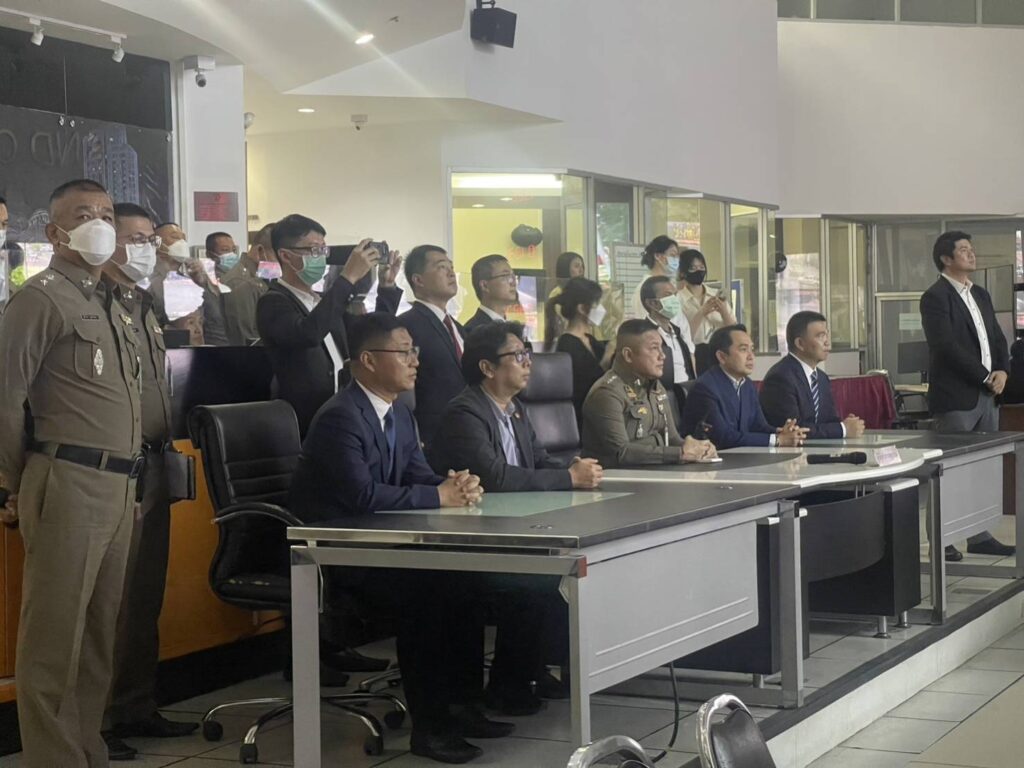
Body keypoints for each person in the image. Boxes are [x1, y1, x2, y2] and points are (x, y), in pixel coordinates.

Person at [289, 313, 544, 763]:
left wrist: (456, 484)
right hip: (338, 554)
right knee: (428, 593)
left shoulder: (400, 413)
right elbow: (361, 495)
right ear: (368, 360)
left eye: (415, 351)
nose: (414, 361)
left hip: (386, 544)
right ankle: (431, 728)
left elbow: (417, 474)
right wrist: (437, 496)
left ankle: (463, 708)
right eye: (404, 352)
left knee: (465, 580)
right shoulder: (340, 417)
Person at [0, 179, 143, 767]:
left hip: (118, 485)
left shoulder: (113, 300)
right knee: (54, 640)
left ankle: (87, 752)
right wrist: (9, 484)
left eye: (106, 212)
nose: (99, 223)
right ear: (55, 232)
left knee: (98, 638)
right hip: (67, 480)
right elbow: (6, 397)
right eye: (84, 214)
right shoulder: (40, 298)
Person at [100, 203, 197, 760]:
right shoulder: (92, 303)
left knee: (143, 597)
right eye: (135, 238)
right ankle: (99, 717)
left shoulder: (142, 302)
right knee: (110, 602)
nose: (147, 249)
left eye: (149, 240)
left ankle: (136, 705)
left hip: (155, 463)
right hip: (116, 468)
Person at [257, 215, 402, 436]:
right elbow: (308, 333)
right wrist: (348, 277)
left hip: (343, 410)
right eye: (314, 250)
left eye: (324, 250)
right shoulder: (273, 302)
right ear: (286, 255)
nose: (321, 258)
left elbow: (369, 334)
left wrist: (387, 287)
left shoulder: (323, 301)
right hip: (304, 417)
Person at [921, 230, 1014, 560]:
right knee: (949, 470)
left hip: (988, 395)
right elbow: (945, 346)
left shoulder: (981, 295)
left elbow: (997, 338)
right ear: (946, 258)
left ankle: (979, 536)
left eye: (971, 249)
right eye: (963, 250)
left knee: (981, 470)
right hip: (957, 397)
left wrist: (1002, 370)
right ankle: (942, 540)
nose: (971, 254)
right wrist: (985, 376)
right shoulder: (936, 297)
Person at [432, 321, 604, 491]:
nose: (528, 362)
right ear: (488, 368)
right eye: (518, 355)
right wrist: (569, 477)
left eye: (526, 353)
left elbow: (539, 459)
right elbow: (494, 477)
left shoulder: (516, 407)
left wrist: (571, 468)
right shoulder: (464, 414)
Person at [582, 319, 717, 467]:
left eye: (661, 348)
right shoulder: (607, 393)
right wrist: (680, 453)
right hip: (618, 477)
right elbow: (621, 452)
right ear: (628, 355)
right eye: (654, 348)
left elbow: (672, 439)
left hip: (654, 472)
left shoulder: (656, 387)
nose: (662, 356)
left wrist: (699, 448)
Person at [682, 325, 807, 449]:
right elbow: (723, 437)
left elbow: (758, 426)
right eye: (743, 349)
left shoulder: (747, 385)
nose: (751, 356)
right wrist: (778, 440)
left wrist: (782, 432)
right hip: (714, 458)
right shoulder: (705, 388)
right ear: (722, 357)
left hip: (741, 455)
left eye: (752, 349)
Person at [397, 245, 467, 449]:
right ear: (418, 280)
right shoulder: (407, 325)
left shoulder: (460, 329)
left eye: (451, 267)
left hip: (467, 431)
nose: (451, 273)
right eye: (441, 267)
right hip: (431, 438)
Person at [759, 311, 865, 439]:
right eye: (820, 336)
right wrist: (842, 429)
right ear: (800, 343)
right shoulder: (780, 377)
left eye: (827, 335)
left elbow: (828, 420)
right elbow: (794, 430)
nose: (827, 342)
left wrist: (846, 424)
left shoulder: (822, 377)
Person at [151, 221, 230, 346]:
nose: (181, 242)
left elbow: (213, 319)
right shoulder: (149, 282)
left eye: (183, 238)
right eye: (175, 237)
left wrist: (202, 284)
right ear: (157, 243)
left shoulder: (189, 278)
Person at [551, 277, 614, 425]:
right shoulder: (567, 344)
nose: (601, 309)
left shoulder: (591, 340)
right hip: (583, 417)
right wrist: (608, 355)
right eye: (596, 304)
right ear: (582, 309)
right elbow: (588, 385)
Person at [639, 275, 696, 429]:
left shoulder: (677, 331)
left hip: (685, 394)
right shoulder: (643, 333)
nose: (674, 300)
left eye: (675, 294)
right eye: (668, 295)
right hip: (661, 398)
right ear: (651, 303)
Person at [221, 222, 274, 346]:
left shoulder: (261, 278)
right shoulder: (241, 283)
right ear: (260, 251)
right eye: (279, 254)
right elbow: (245, 341)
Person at [677, 248, 736, 351]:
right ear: (683, 273)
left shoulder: (715, 295)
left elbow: (734, 330)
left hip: (720, 351)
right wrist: (701, 312)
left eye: (701, 267)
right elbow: (682, 338)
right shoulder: (678, 299)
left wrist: (724, 312)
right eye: (693, 268)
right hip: (694, 352)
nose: (699, 271)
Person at [464, 254, 519, 333]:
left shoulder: (511, 328)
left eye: (513, 276)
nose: (513, 283)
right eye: (505, 276)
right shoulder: (474, 331)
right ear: (485, 286)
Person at [630, 235, 679, 318]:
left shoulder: (671, 285)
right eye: (672, 255)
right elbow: (645, 319)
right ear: (657, 256)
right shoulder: (644, 288)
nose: (676, 259)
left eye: (677, 256)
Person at [544, 251, 586, 339]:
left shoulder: (584, 291)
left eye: (582, 266)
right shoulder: (557, 293)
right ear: (566, 269)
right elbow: (565, 320)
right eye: (577, 266)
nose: (581, 270)